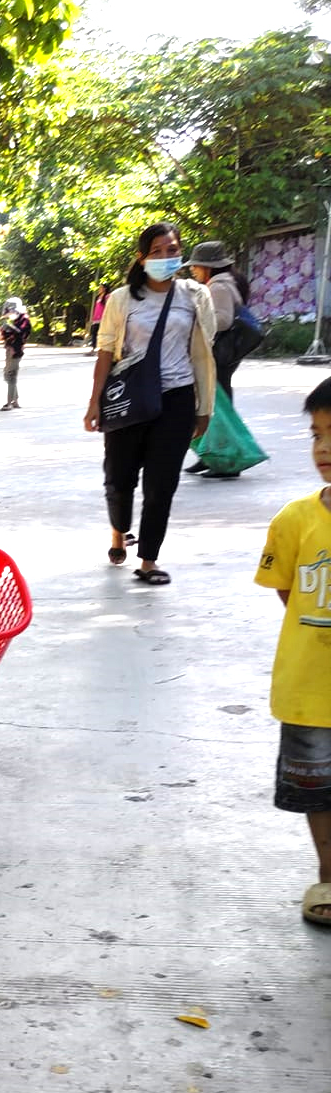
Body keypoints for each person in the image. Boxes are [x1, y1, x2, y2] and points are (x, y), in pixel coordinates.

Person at [83, 221, 216, 586]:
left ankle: (148, 560)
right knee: (120, 478)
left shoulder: (194, 296)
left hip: (176, 397)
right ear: (142, 259)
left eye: (171, 250)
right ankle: (119, 530)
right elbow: (106, 350)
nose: (165, 257)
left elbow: (205, 350)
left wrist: (204, 406)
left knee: (162, 482)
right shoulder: (122, 299)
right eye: (156, 251)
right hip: (129, 395)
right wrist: (94, 402)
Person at [253, 377, 331, 927]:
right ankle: (328, 879)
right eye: (316, 434)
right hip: (310, 688)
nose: (322, 448)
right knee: (319, 795)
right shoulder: (294, 520)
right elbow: (289, 592)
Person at [183, 240, 254, 478]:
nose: (193, 270)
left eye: (197, 266)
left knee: (215, 409)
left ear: (208, 267)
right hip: (223, 356)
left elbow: (222, 320)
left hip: (218, 355)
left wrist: (196, 317)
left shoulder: (218, 287)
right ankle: (209, 456)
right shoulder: (223, 283)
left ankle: (224, 460)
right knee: (214, 406)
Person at [0, 298, 32, 410]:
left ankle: (9, 403)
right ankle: (15, 401)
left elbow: (20, 333)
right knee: (8, 376)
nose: (9, 315)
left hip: (15, 351)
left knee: (11, 376)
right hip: (10, 349)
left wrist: (8, 328)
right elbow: (10, 334)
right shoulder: (17, 321)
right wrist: (3, 332)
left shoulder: (24, 320)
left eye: (9, 313)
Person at [87, 286, 110, 354]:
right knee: (94, 333)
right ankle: (94, 348)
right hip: (96, 319)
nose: (99, 289)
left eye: (101, 288)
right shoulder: (98, 297)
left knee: (102, 334)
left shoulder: (107, 296)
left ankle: (102, 348)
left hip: (103, 318)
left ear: (105, 288)